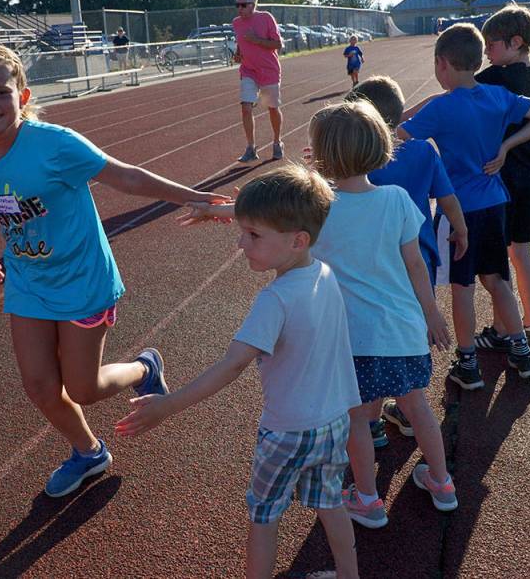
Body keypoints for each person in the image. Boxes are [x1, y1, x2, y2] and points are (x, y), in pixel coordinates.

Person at [0, 44, 227, 499]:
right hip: (29, 281)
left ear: (23, 95)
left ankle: (143, 367)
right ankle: (88, 452)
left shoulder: (55, 144)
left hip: (82, 280)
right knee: (39, 386)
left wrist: (197, 198)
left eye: (1, 92)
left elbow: (128, 177)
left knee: (82, 388)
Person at [183, 101, 459, 523]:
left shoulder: (322, 207)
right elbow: (416, 265)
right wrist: (432, 313)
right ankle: (442, 482)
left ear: (321, 155)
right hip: (402, 330)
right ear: (380, 144)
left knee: (357, 419)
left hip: (350, 338)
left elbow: (273, 217)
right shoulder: (398, 199)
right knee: (418, 407)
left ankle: (368, 498)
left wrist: (216, 211)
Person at [117, 165, 361, 579]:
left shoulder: (275, 300)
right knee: (330, 502)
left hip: (286, 431)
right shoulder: (323, 271)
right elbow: (280, 219)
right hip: (333, 422)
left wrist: (167, 405)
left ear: (297, 240)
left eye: (253, 235)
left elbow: (232, 365)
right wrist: (222, 211)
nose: (240, 243)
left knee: (264, 517)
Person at [397, 24, 530, 390]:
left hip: (460, 210)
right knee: (498, 281)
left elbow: (396, 138)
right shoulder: (499, 96)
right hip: (495, 203)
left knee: (463, 287)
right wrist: (506, 146)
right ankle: (522, 351)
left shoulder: (441, 108)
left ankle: (468, 363)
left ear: (442, 63)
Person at [347, 76, 469, 440]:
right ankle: (407, 406)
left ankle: (372, 421)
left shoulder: (358, 161)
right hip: (418, 259)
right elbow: (447, 198)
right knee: (413, 330)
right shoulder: (422, 151)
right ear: (399, 115)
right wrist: (461, 229)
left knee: (374, 337)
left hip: (373, 264)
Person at [474, 4, 530, 356]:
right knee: (521, 253)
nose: (486, 53)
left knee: (497, 260)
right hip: (524, 180)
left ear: (516, 42)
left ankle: (501, 329)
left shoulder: (488, 81)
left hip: (492, 182)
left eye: (491, 45)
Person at [232, 0, 285, 163]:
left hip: (269, 70)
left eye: (243, 5)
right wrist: (238, 53)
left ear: (252, 5)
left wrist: (256, 40)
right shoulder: (236, 23)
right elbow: (241, 41)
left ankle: (277, 142)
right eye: (237, 5)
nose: (239, 8)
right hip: (248, 70)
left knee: (272, 108)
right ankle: (251, 147)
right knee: (245, 107)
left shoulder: (266, 18)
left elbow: (278, 44)